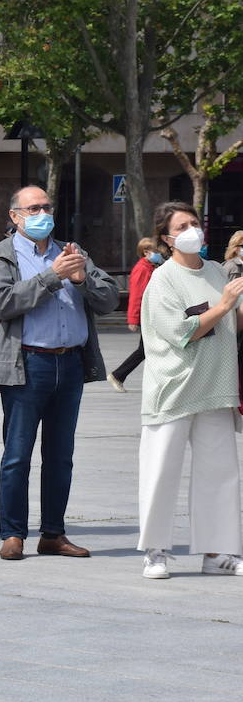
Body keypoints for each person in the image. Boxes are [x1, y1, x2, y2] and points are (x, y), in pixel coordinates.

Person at [0, 186, 118, 561]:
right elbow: (4, 303)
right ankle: (12, 533)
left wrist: (81, 279)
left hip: (70, 363)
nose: (42, 213)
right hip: (27, 364)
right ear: (15, 216)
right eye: (33, 208)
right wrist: (52, 277)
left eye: (46, 207)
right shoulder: (0, 256)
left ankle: (53, 534)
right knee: (17, 454)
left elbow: (109, 298)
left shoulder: (72, 252)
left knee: (61, 455)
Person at [137, 202, 243, 579]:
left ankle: (217, 553)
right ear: (167, 238)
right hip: (175, 388)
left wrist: (236, 305)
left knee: (220, 472)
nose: (192, 230)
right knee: (161, 469)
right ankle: (155, 551)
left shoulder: (216, 271)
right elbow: (183, 332)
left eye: (195, 222)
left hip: (216, 386)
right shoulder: (162, 280)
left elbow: (236, 319)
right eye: (182, 226)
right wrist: (226, 304)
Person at [109, 238, 162, 392]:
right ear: (146, 252)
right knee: (144, 350)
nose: (158, 254)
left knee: (146, 349)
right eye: (156, 251)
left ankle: (119, 375)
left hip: (152, 315)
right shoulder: (142, 269)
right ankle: (118, 375)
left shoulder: (150, 267)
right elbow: (137, 295)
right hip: (148, 317)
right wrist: (133, 319)